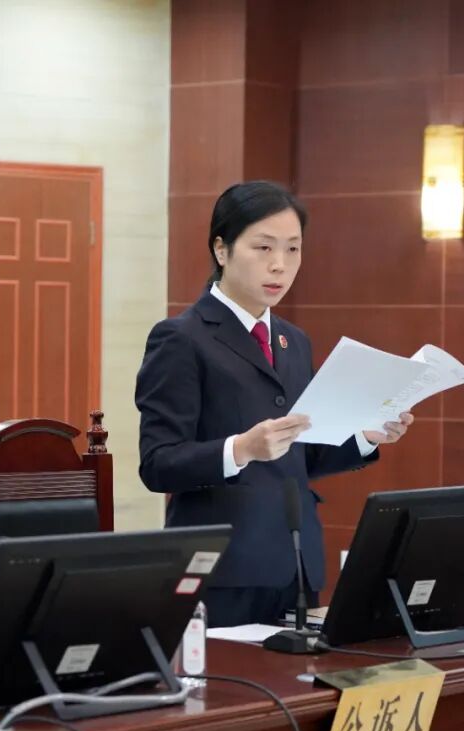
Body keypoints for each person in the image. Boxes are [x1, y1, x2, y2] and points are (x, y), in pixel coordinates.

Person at [135, 181, 414, 627]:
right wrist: (240, 449)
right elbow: (158, 463)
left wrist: (364, 437)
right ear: (222, 249)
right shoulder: (181, 338)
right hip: (224, 572)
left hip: (297, 568)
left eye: (293, 249)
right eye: (263, 247)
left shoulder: (293, 341)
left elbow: (302, 455)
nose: (279, 265)